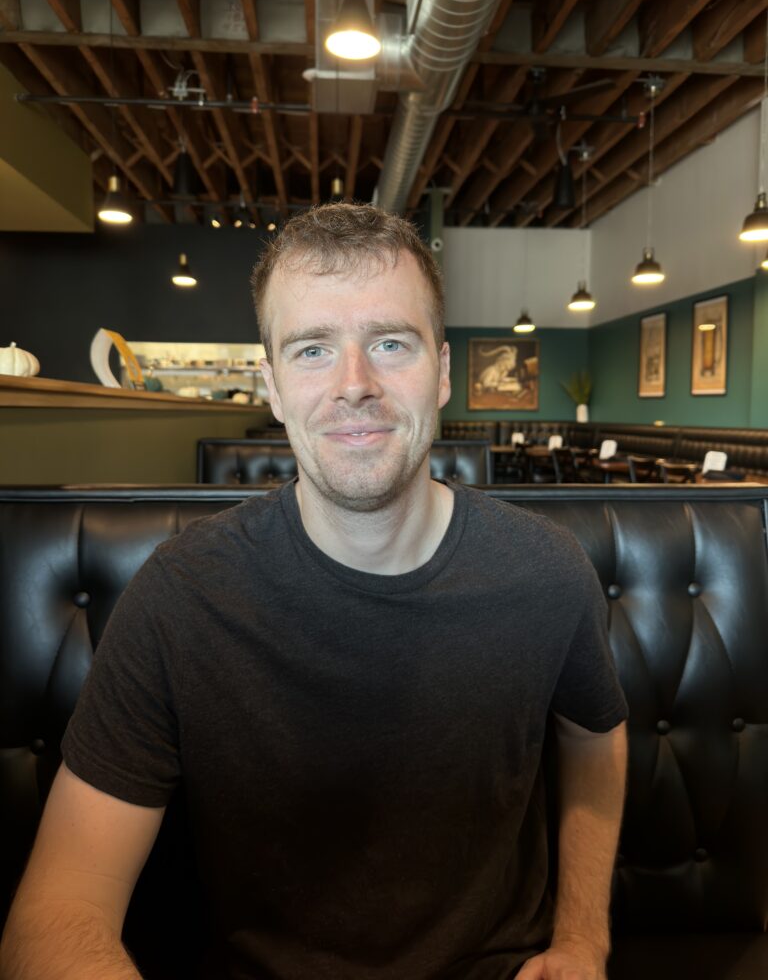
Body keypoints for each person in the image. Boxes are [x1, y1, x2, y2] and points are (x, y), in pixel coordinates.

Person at [0, 203, 627, 980]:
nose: (354, 385)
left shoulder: (546, 572)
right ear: (271, 385)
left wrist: (581, 938)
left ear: (443, 371)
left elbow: (597, 738)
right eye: (312, 350)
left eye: (391, 343)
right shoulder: (180, 597)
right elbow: (57, 913)